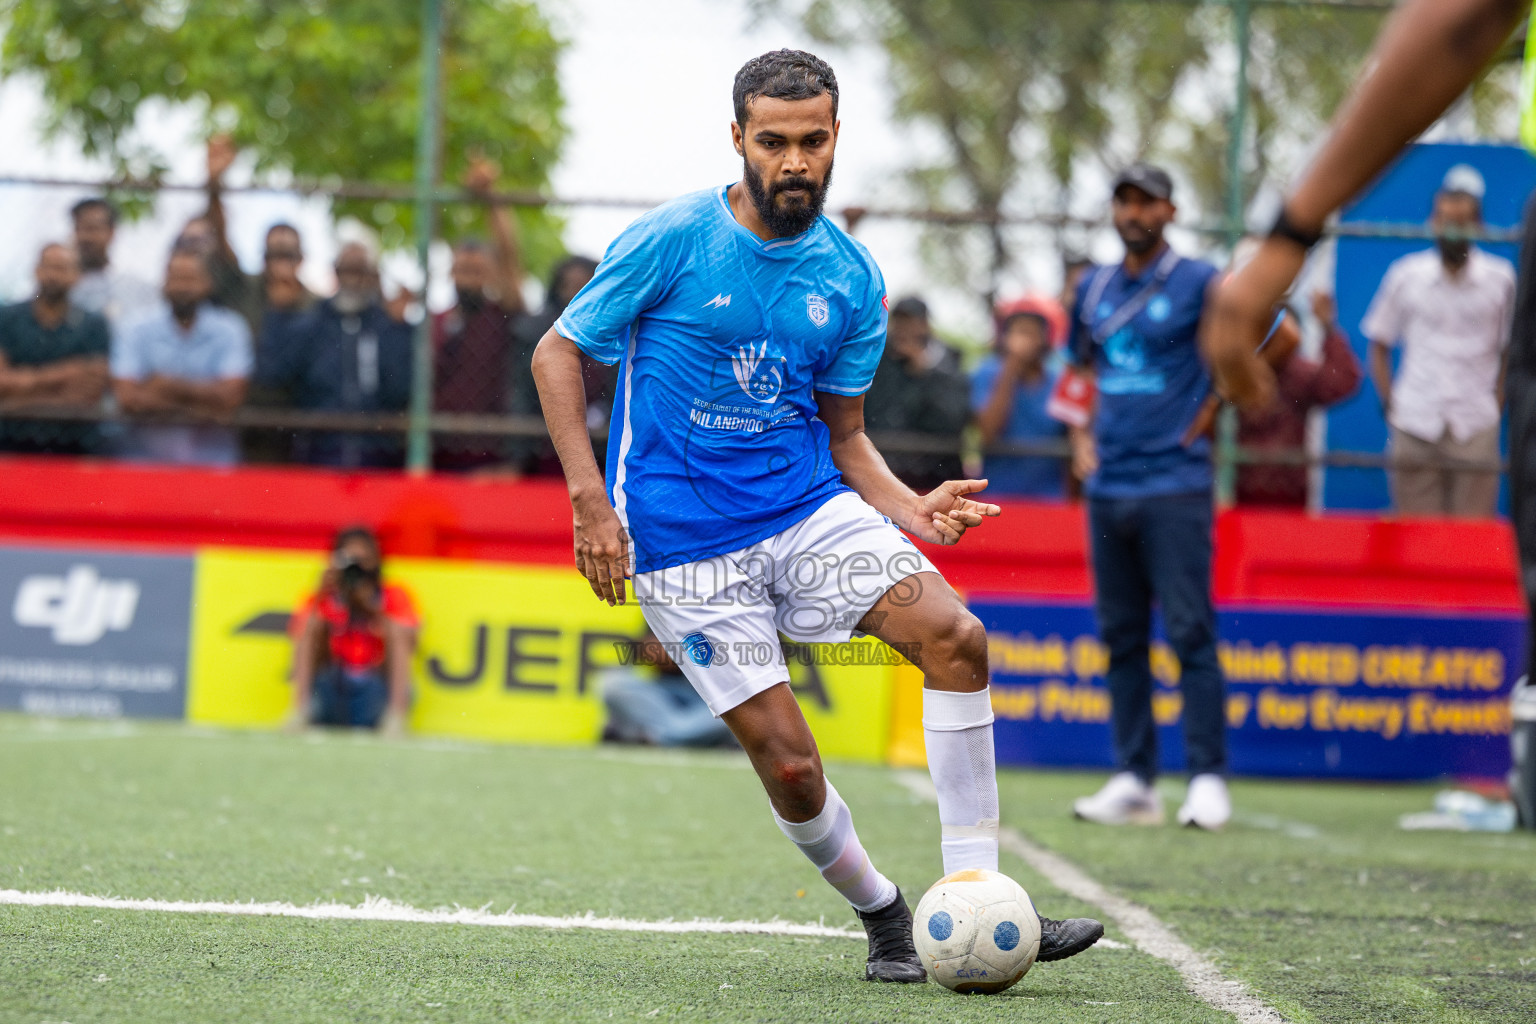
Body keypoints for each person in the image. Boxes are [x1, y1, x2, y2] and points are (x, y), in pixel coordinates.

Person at [530, 48, 1101, 983]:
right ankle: (882, 916)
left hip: (806, 514)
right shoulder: (671, 239)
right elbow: (558, 354)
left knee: (956, 637)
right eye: (774, 142)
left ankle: (979, 895)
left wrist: (914, 508)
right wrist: (593, 507)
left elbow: (847, 437)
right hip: (684, 546)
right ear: (739, 139)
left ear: (836, 139)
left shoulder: (852, 277)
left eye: (812, 141)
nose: (794, 162)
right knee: (792, 769)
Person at [1064, 164, 1231, 831]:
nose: (1132, 212)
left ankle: (1207, 778)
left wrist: (1218, 401)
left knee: (1191, 633)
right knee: (1121, 638)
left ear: (1170, 210)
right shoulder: (1095, 285)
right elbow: (1077, 369)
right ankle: (1135, 777)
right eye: (1123, 201)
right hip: (1110, 487)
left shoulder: (1201, 279)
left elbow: (1274, 332)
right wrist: (1079, 434)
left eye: (1146, 202)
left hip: (1177, 485)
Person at [1362, 165, 1515, 518]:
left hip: (1475, 425)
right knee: (1417, 540)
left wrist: (1497, 401)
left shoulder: (1501, 281)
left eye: (1461, 221)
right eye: (1445, 219)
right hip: (1415, 420)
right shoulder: (1405, 276)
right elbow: (1379, 343)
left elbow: (1510, 351)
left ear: (1477, 225)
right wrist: (1392, 403)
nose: (1452, 229)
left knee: (1470, 541)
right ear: (1433, 220)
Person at [261, 242, 413, 468]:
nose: (352, 278)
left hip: (377, 455)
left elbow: (399, 390)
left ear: (372, 276)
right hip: (319, 452)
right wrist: (280, 313)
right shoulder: (312, 324)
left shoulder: (385, 326)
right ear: (335, 272)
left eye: (360, 270)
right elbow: (274, 373)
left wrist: (400, 329)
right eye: (346, 269)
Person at [111, 248, 251, 466]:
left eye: (191, 279)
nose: (183, 288)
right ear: (164, 283)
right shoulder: (136, 327)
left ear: (208, 284)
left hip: (212, 462)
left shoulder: (230, 328)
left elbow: (231, 397)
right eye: (176, 279)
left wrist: (164, 386)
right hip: (145, 462)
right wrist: (205, 406)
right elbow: (127, 397)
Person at [433, 155, 528, 472]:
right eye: (462, 270)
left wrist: (491, 198)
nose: (468, 279)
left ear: (489, 276)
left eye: (477, 271)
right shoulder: (436, 322)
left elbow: (509, 255)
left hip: (489, 459)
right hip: (437, 456)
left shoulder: (501, 315)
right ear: (450, 273)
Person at [1236, 290, 1362, 508]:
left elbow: (1344, 380)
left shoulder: (1297, 374)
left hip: (1288, 493)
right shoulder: (1236, 375)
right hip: (1238, 492)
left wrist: (1327, 327)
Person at [287, 526, 416, 736]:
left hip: (375, 687)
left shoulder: (392, 595)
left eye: (362, 560)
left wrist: (372, 609)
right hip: (332, 686)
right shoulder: (326, 596)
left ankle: (396, 717)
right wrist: (322, 593)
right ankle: (300, 710)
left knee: (396, 628)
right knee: (311, 625)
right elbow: (298, 632)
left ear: (375, 560)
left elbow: (411, 639)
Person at [0, 243, 111, 456]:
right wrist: (64, 374)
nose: (53, 275)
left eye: (62, 268)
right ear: (36, 270)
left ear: (77, 275)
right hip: (11, 442)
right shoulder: (7, 318)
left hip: (75, 444)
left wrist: (19, 397)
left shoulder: (93, 325)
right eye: (49, 267)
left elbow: (88, 394)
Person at [862, 296, 969, 492]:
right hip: (884, 472)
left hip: (933, 476)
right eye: (900, 321)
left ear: (926, 325)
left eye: (912, 322)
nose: (905, 330)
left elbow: (952, 421)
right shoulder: (876, 359)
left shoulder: (948, 361)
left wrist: (924, 373)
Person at [972, 296, 1070, 500]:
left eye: (1030, 332)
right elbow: (987, 433)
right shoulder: (986, 372)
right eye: (1016, 331)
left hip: (1051, 500)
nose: (1022, 340)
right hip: (997, 497)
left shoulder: (1060, 380)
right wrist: (1011, 367)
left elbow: (1074, 443)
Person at [511, 254, 600, 474]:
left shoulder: (614, 339)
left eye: (583, 287)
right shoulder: (535, 332)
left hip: (600, 453)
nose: (574, 295)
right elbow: (521, 395)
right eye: (568, 286)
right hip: (541, 452)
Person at [600, 633, 736, 748]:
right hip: (665, 691)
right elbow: (650, 646)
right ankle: (673, 734)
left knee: (735, 709)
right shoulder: (666, 603)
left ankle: (651, 734)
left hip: (713, 698)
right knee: (613, 683)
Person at [69, 198, 158, 325]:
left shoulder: (133, 287)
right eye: (79, 228)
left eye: (93, 229)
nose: (85, 237)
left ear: (111, 232)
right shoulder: (64, 288)